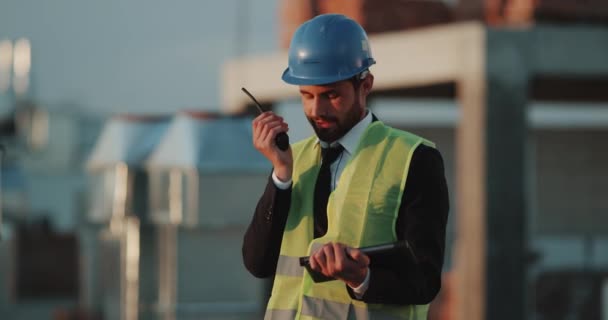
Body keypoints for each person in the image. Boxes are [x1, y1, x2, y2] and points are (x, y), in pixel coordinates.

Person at [242, 13, 449, 319]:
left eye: (331, 95)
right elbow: (258, 263)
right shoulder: (291, 160)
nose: (316, 110)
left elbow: (425, 279)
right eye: (306, 96)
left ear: (365, 85)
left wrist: (360, 278)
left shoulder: (414, 159)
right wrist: (281, 176)